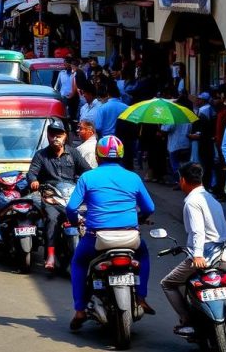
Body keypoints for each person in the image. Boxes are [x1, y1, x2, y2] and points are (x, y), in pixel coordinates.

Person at [67, 135, 156, 330]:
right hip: (130, 238)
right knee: (143, 255)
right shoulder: (133, 177)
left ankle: (80, 310)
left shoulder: (88, 177)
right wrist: (139, 219)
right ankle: (141, 297)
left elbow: (72, 208)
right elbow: (149, 207)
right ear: (121, 157)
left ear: (98, 157)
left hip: (96, 238)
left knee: (79, 262)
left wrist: (75, 221)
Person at [160, 162, 226, 337]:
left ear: (183, 180)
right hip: (224, 255)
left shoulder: (192, 201)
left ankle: (186, 319)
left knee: (168, 284)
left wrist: (198, 255)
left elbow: (197, 231)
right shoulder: (211, 199)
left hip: (204, 256)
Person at [28, 122, 92, 270]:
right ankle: (50, 254)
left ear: (65, 136)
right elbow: (32, 173)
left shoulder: (73, 153)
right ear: (48, 136)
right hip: (51, 197)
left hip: (71, 196)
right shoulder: (41, 155)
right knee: (51, 219)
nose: (56, 137)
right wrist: (34, 181)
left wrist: (92, 181)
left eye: (59, 134)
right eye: (52, 134)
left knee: (88, 219)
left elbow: (87, 171)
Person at [188, 92, 216, 192]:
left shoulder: (204, 110)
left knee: (204, 164)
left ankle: (207, 184)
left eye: (199, 99)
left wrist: (197, 135)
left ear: (203, 100)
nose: (196, 101)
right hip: (206, 141)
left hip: (205, 142)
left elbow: (203, 128)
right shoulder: (207, 109)